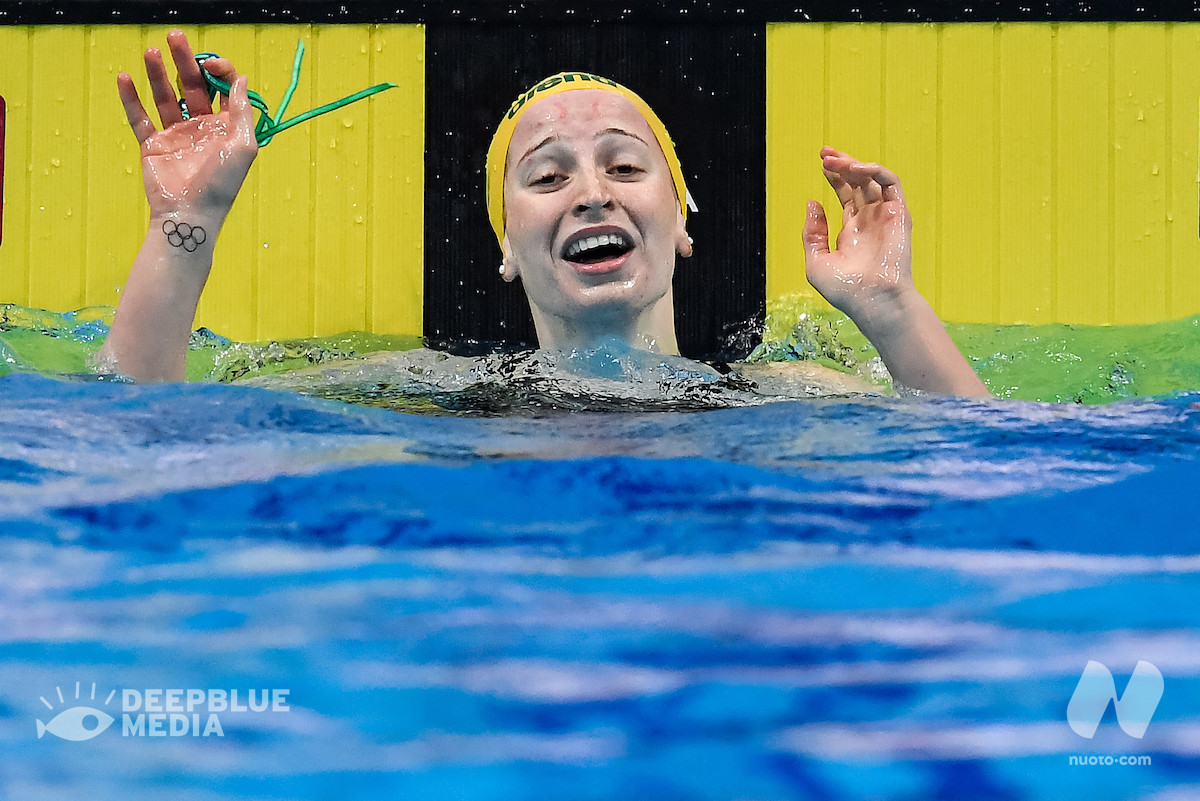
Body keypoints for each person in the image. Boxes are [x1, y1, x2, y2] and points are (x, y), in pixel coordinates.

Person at [98, 31, 989, 399]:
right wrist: (186, 228)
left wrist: (891, 309)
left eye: (626, 165)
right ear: (506, 248)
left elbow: (978, 468)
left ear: (681, 219)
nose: (592, 191)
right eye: (548, 175)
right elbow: (142, 426)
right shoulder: (423, 393)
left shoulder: (786, 395)